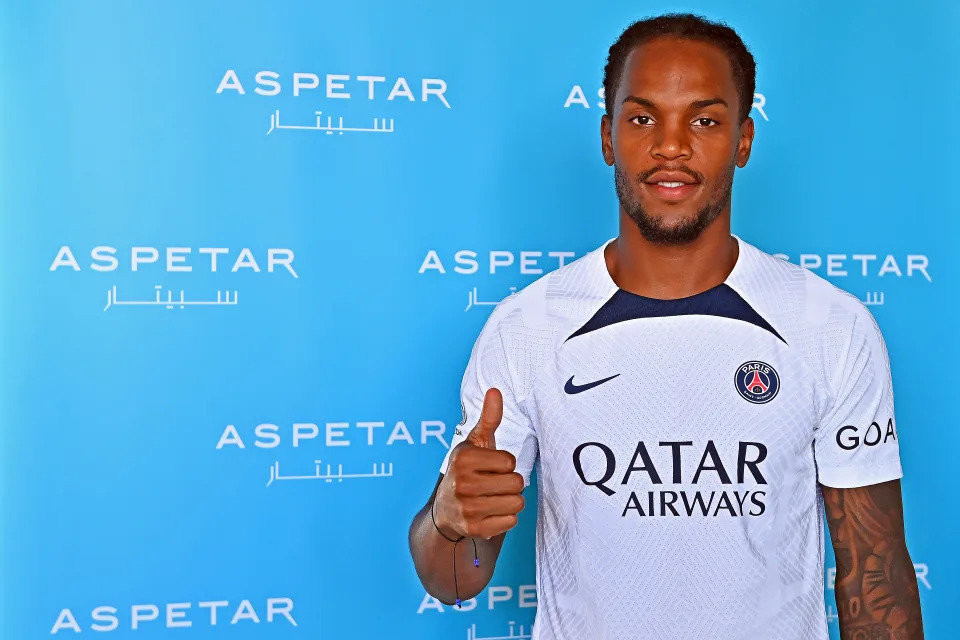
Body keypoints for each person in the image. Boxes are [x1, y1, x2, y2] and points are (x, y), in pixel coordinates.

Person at [407, 12, 923, 640]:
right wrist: (450, 520)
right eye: (643, 118)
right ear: (607, 137)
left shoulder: (830, 325)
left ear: (743, 140)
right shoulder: (526, 328)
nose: (671, 145)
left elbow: (877, 577)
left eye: (704, 120)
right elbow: (454, 579)